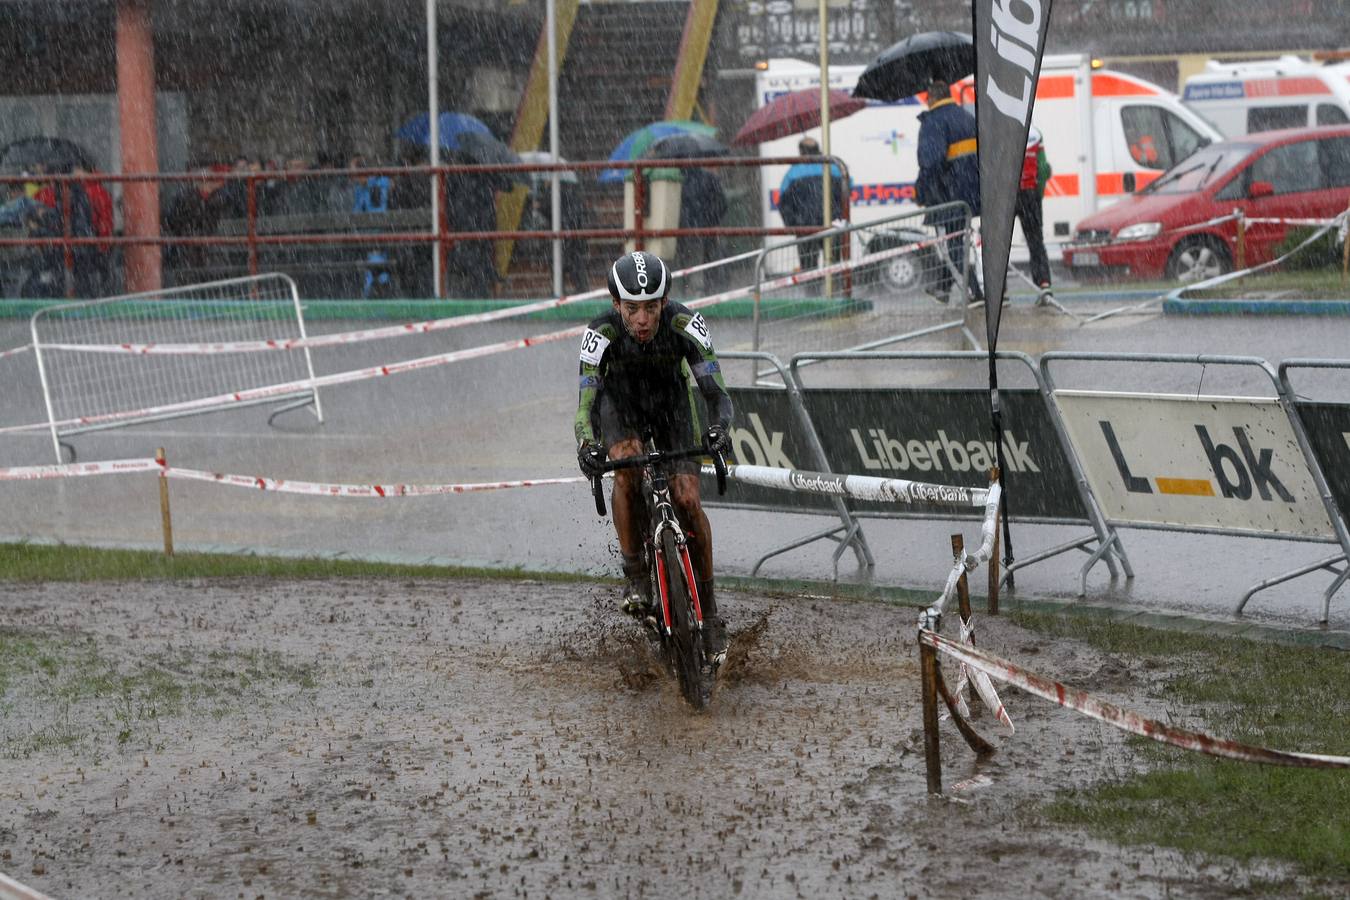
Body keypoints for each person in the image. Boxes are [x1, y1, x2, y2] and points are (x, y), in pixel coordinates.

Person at [574, 250, 734, 660]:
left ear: (665, 302)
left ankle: (711, 615)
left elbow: (717, 395)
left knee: (686, 499)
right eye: (632, 309)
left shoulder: (686, 323)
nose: (642, 319)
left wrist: (718, 429)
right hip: (621, 408)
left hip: (672, 409)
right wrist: (586, 443)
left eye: (651, 308)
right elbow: (584, 407)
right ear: (616, 305)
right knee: (626, 468)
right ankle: (636, 578)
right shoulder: (601, 333)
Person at [916, 78, 983, 303]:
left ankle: (975, 292)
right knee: (957, 241)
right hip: (970, 193)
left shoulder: (934, 121)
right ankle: (943, 288)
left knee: (951, 246)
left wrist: (921, 190)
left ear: (930, 98)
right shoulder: (966, 116)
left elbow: (931, 161)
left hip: (946, 194)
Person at [777, 136, 849, 271]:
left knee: (808, 267)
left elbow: (783, 203)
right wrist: (839, 216)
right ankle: (835, 289)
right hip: (832, 223)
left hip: (805, 226)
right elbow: (846, 192)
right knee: (834, 265)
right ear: (818, 149)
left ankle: (811, 291)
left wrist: (793, 225)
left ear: (801, 152)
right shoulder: (834, 166)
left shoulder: (793, 173)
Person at [1017, 125, 1054, 301]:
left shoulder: (999, 130)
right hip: (1030, 195)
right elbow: (1043, 168)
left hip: (1007, 196)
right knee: (1036, 242)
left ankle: (1001, 293)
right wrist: (1037, 195)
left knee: (999, 246)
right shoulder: (1035, 134)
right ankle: (1044, 284)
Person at [677, 166, 727, 292]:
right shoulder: (710, 178)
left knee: (687, 259)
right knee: (709, 258)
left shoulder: (679, 181)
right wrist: (713, 219)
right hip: (705, 226)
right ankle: (709, 287)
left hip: (686, 229)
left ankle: (687, 288)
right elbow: (722, 203)